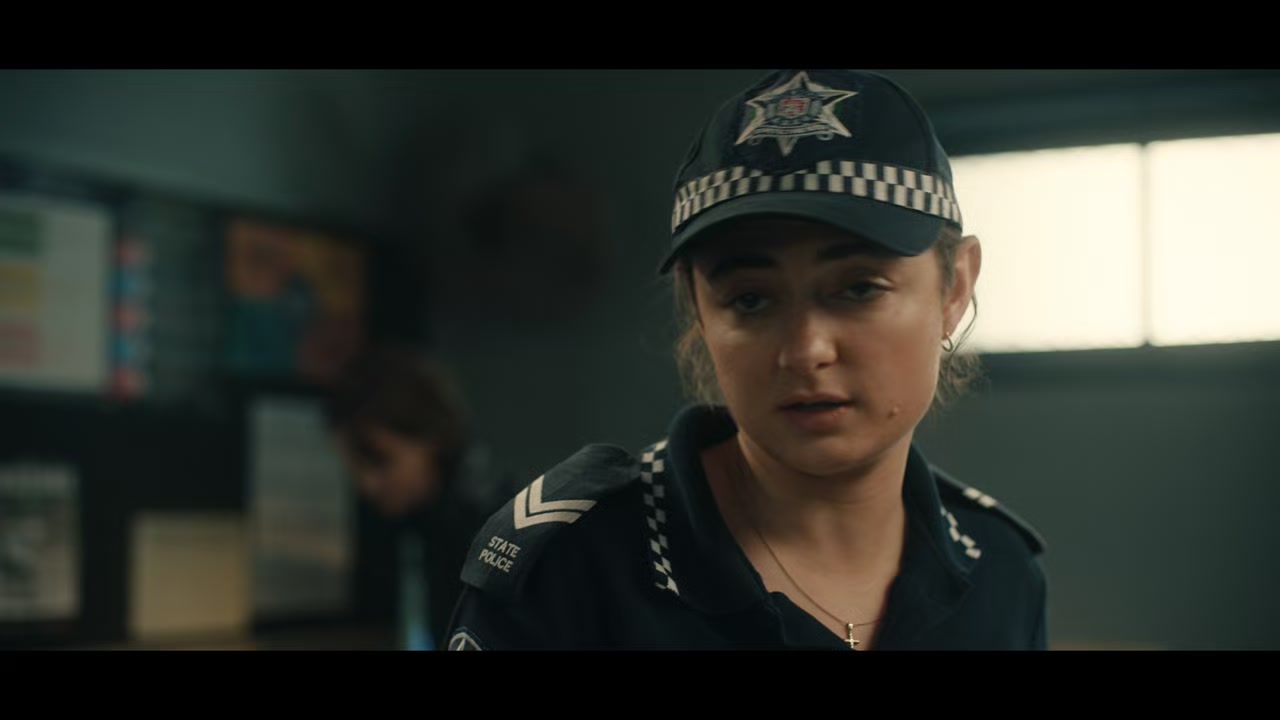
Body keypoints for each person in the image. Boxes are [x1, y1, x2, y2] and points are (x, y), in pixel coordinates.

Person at [445, 69, 1047, 650]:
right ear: (699, 311)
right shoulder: (575, 571)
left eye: (860, 288)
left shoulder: (1000, 574)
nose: (806, 350)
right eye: (751, 299)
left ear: (954, 288)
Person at [327, 345, 507, 648]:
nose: (367, 484)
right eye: (355, 468)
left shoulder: (485, 537)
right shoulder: (425, 526)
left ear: (431, 436)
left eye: (379, 459)